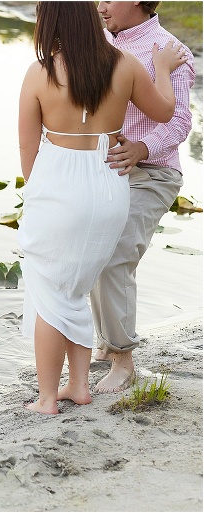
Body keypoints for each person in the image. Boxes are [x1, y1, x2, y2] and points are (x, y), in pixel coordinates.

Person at [17, 1, 187, 414]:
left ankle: (46, 399)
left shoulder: (41, 71)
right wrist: (159, 70)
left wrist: (36, 195)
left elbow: (27, 147)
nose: (102, 5)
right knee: (78, 283)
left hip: (71, 186)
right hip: (110, 186)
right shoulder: (124, 61)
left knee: (50, 292)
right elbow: (163, 109)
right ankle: (78, 386)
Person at [91, 1, 196, 393]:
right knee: (92, 250)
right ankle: (104, 342)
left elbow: (182, 122)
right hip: (104, 168)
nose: (100, 6)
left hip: (153, 172)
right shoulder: (96, 42)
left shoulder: (170, 51)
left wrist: (142, 148)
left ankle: (123, 360)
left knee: (116, 252)